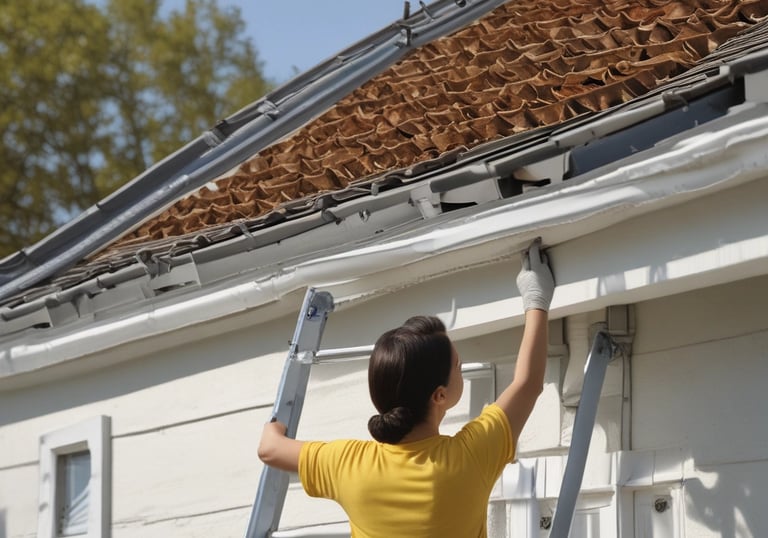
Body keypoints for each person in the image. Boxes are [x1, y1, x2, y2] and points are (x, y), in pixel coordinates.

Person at [258, 238, 555, 538]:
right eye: (458, 366)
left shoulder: (347, 464)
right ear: (439, 395)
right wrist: (536, 299)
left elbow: (269, 449)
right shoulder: (470, 456)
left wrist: (276, 425)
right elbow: (528, 383)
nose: (460, 369)